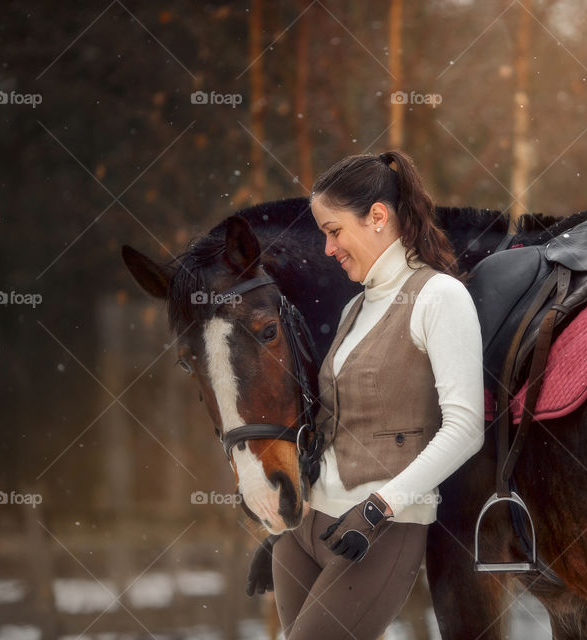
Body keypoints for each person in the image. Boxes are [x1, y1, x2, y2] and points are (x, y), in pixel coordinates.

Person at [248, 150, 485, 639]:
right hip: (306, 526)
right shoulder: (355, 307)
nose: (328, 247)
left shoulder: (439, 297)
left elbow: (466, 429)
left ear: (377, 217)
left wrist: (381, 506)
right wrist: (285, 519)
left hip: (375, 532)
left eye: (334, 230)